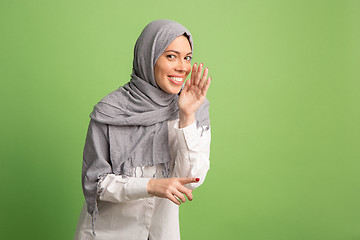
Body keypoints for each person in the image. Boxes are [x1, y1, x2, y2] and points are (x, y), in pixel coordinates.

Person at [74, 19, 212, 240]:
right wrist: (150, 186)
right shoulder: (110, 111)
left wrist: (187, 115)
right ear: (148, 57)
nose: (182, 67)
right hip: (107, 233)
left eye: (187, 58)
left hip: (162, 232)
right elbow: (95, 183)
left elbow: (191, 179)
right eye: (171, 56)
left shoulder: (193, 107)